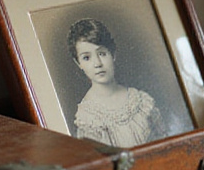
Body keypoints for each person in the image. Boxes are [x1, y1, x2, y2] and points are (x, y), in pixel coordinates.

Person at [68, 18, 165, 148]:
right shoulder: (88, 119)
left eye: (102, 53)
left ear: (112, 54)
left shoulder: (141, 101)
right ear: (78, 63)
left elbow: (164, 141)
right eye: (87, 57)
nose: (97, 63)